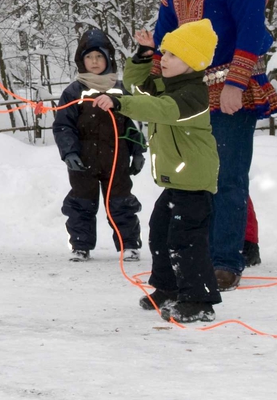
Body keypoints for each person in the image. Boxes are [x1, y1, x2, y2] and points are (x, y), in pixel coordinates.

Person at [152, 0, 277, 291]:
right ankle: (204, 249)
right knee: (196, 176)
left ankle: (226, 260)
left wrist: (236, 84)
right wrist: (154, 70)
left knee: (228, 175)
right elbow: (166, 36)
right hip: (189, 93)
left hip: (231, 88)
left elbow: (250, 34)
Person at [94, 19, 221, 323]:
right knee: (161, 234)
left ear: (193, 62)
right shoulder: (169, 85)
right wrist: (142, 53)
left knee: (185, 240)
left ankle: (199, 300)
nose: (164, 60)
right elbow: (137, 84)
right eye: (163, 54)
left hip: (194, 183)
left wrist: (118, 101)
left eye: (173, 55)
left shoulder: (193, 95)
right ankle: (168, 288)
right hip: (177, 181)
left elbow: (159, 108)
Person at [51, 28, 146, 262]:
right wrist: (69, 152)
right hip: (83, 160)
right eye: (89, 57)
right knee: (81, 204)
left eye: (99, 57)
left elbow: (131, 124)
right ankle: (81, 245)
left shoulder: (120, 89)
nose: (94, 62)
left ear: (108, 59)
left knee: (121, 203)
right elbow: (63, 125)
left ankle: (129, 245)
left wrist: (138, 151)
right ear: (81, 61)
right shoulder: (74, 91)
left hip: (117, 159)